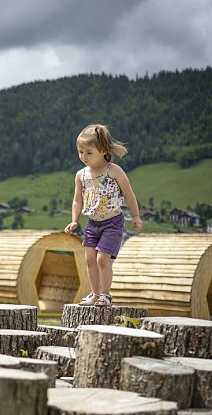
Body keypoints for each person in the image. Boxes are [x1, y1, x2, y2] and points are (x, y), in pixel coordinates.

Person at [64, 124, 142, 307]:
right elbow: (77, 200)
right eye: (80, 152)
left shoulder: (114, 170)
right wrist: (74, 220)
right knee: (90, 259)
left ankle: (105, 295)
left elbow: (129, 194)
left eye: (88, 152)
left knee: (102, 259)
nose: (83, 157)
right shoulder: (81, 175)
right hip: (92, 224)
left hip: (112, 223)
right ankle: (94, 294)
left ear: (102, 150)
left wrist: (136, 216)